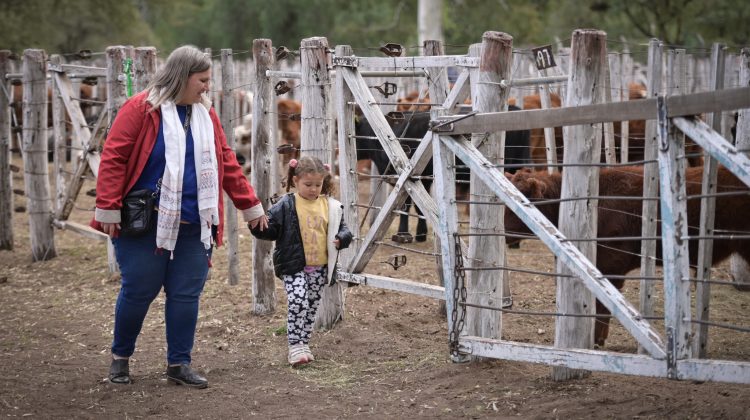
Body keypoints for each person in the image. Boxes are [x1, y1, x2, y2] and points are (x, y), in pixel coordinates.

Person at [91, 45, 268, 388]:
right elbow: (114, 158)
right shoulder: (141, 109)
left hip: (194, 222)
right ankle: (120, 359)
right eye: (201, 80)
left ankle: (178, 364)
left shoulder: (205, 115)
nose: (206, 87)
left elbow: (225, 161)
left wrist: (250, 206)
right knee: (139, 290)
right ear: (181, 77)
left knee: (186, 293)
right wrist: (109, 205)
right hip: (146, 222)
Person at [250, 156, 352, 366]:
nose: (313, 189)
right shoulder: (286, 205)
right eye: (308, 184)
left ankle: (304, 343)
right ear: (295, 181)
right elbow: (271, 229)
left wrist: (343, 238)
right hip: (293, 265)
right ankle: (295, 346)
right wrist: (255, 223)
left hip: (320, 267)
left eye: (318, 184)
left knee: (312, 306)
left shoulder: (331, 206)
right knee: (298, 302)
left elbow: (343, 228)